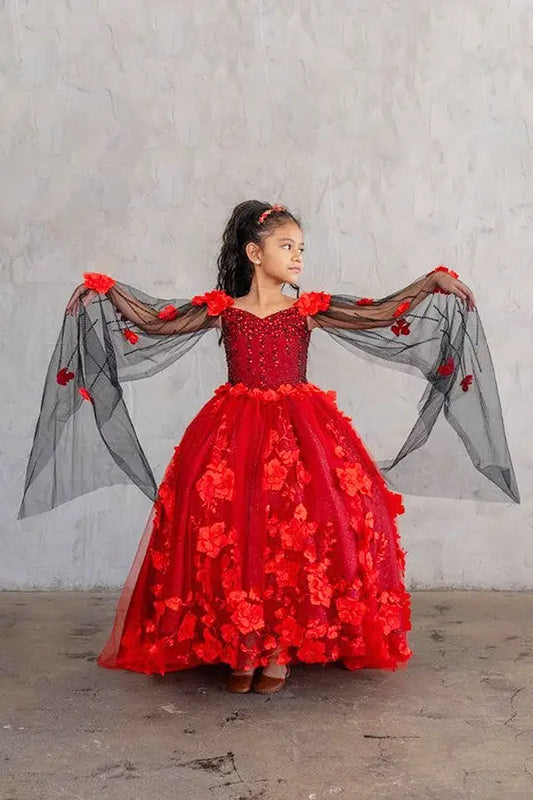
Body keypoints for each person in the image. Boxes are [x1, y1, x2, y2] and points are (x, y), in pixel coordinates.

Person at [19, 200, 519, 695]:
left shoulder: (307, 310)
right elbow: (156, 323)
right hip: (233, 428)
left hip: (300, 430)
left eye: (301, 248)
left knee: (293, 532)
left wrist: (428, 283)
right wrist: (105, 291)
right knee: (231, 526)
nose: (298, 257)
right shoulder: (224, 310)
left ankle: (277, 649)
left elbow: (378, 314)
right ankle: (244, 645)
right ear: (255, 254)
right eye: (287, 246)